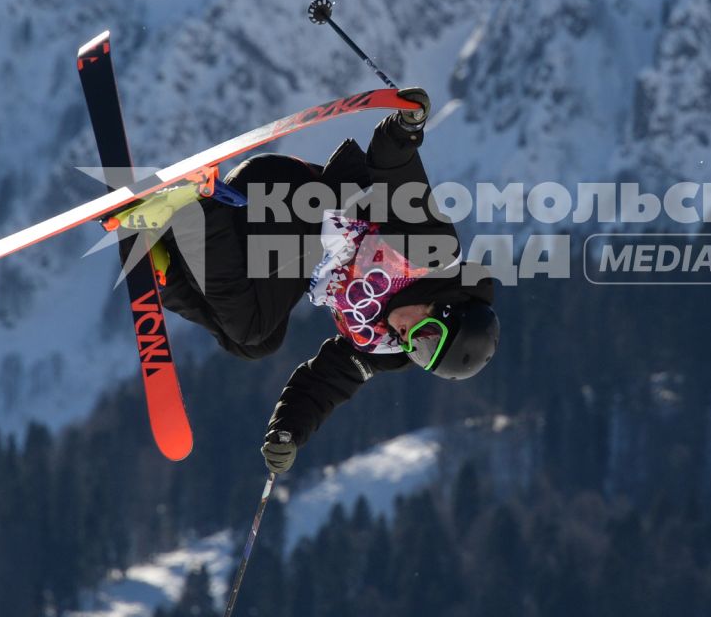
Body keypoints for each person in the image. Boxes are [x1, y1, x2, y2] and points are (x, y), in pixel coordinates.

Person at [148, 87, 498, 474]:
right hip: (283, 194)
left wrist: (288, 432)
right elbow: (395, 173)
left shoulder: (385, 346)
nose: (408, 339)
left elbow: (327, 384)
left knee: (256, 344)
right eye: (427, 336)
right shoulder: (430, 254)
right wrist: (405, 129)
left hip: (273, 238)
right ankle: (198, 208)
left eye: (418, 353)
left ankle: (165, 265)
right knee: (251, 326)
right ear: (444, 308)